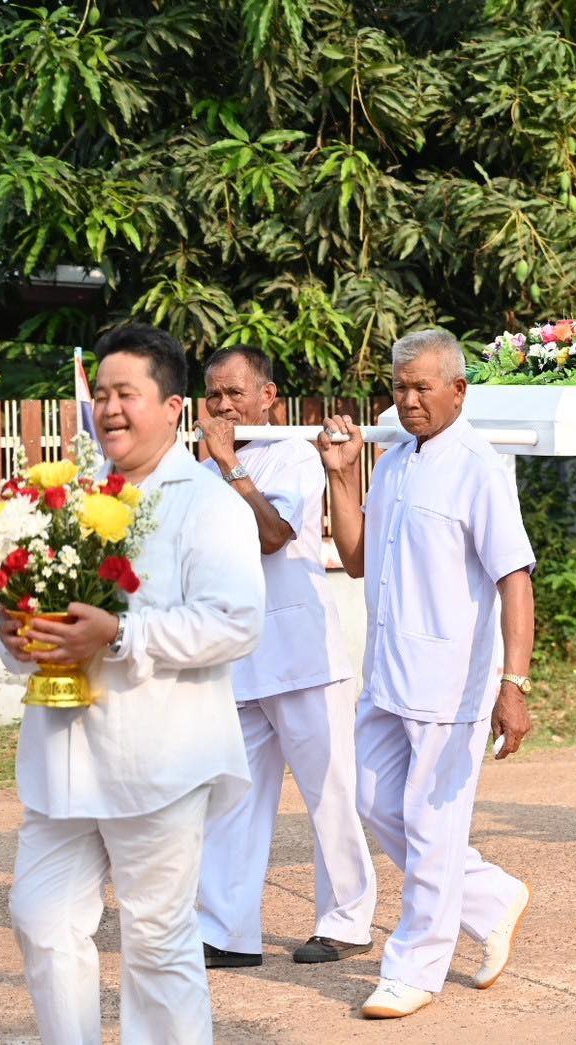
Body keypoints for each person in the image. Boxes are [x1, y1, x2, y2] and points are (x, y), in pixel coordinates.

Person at [0, 324, 263, 1042]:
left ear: (173, 407)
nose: (110, 409)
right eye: (102, 394)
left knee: (155, 940)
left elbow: (235, 622)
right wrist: (20, 633)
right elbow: (33, 618)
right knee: (42, 919)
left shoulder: (209, 505)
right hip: (63, 759)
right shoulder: (68, 502)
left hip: (160, 761)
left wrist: (121, 634)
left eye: (127, 394)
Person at [318, 329, 535, 1020]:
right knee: (377, 803)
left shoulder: (479, 465)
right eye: (398, 387)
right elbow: (354, 558)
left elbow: (515, 578)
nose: (407, 400)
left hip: (450, 678)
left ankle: (414, 965)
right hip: (386, 673)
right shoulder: (397, 459)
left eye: (421, 387)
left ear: (458, 389)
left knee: (432, 823)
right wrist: (341, 473)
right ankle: (489, 897)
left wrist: (515, 683)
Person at [196, 347, 378, 969]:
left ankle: (347, 923)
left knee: (332, 793)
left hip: (302, 657)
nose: (223, 406)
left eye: (235, 393)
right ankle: (227, 931)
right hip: (237, 660)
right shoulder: (201, 471)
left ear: (268, 396)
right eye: (213, 395)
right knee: (233, 802)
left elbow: (274, 537)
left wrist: (227, 465)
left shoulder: (295, 454)